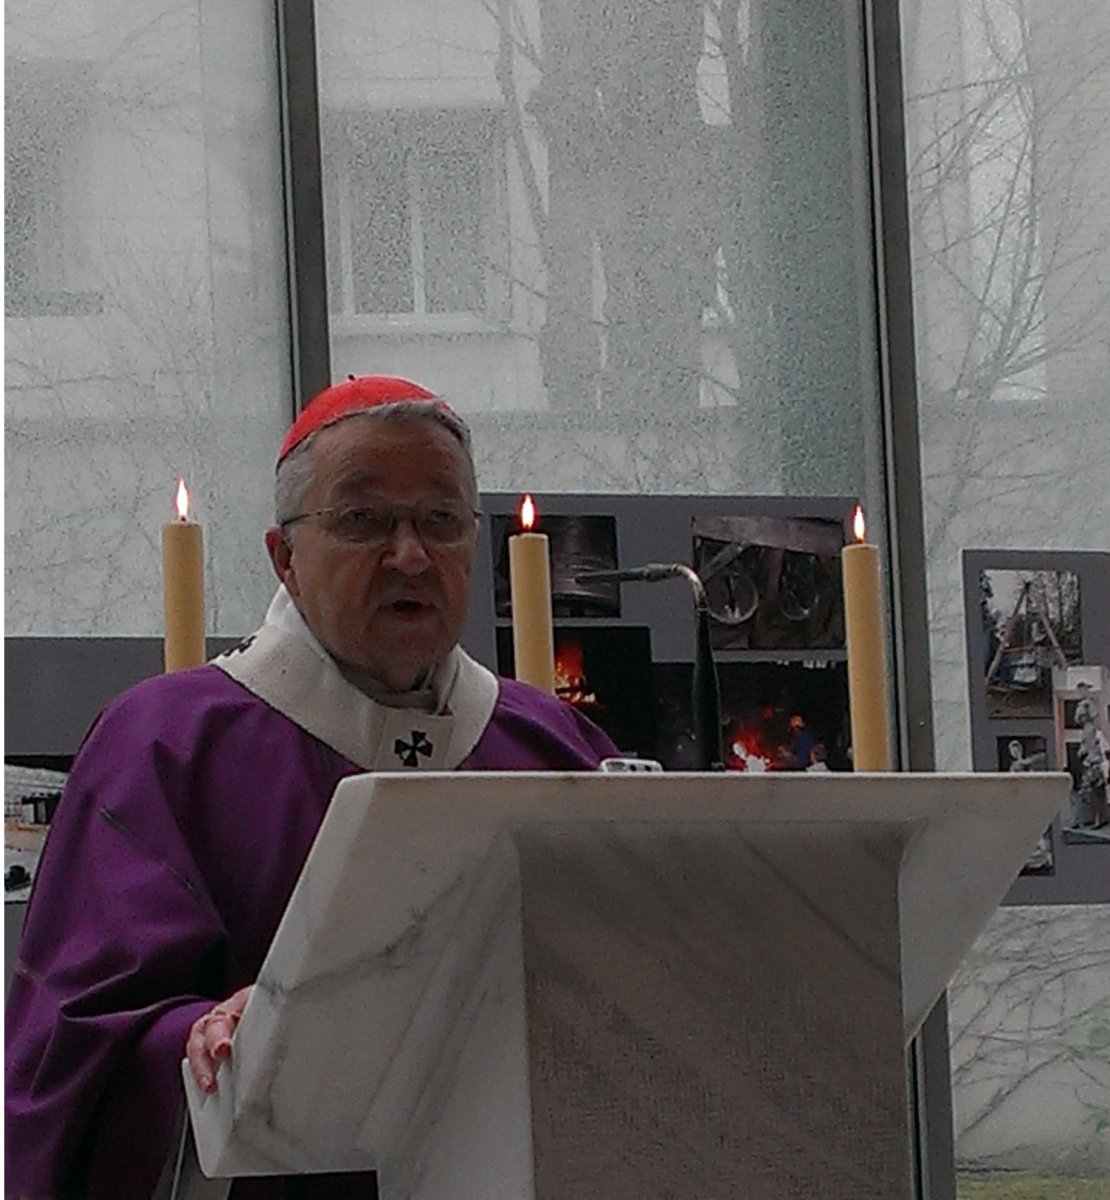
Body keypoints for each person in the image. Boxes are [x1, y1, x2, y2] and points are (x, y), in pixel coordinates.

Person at [5, 375, 618, 1200]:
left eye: (441, 520)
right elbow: (71, 1043)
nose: (411, 555)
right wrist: (210, 1039)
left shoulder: (552, 747)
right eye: (364, 519)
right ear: (284, 557)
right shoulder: (163, 746)